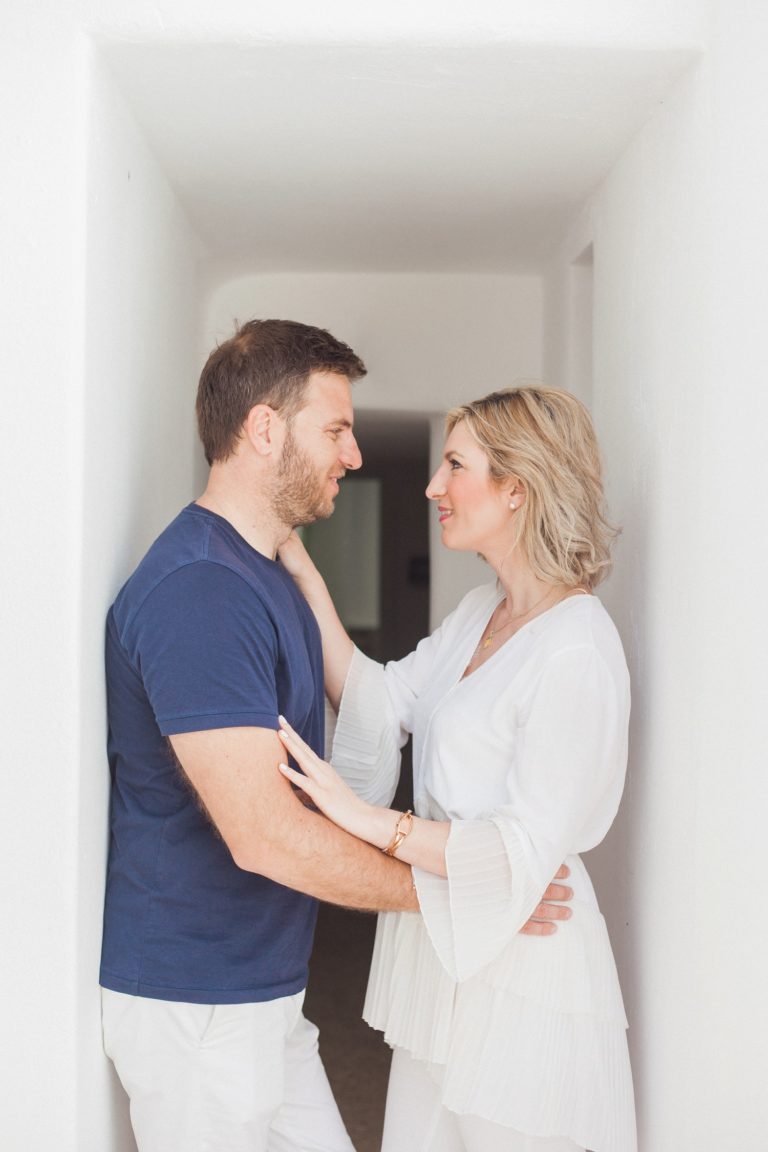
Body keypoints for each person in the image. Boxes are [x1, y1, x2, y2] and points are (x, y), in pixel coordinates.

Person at [99, 321, 571, 1152]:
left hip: (260, 995)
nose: (352, 454)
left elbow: (363, 730)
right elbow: (265, 836)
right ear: (265, 429)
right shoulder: (200, 593)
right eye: (336, 429)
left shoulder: (266, 573)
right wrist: (453, 894)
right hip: (198, 1007)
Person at [276, 385, 636, 1152]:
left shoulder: (576, 648)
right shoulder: (481, 611)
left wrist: (371, 822)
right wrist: (297, 563)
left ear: (516, 488)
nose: (434, 487)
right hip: (443, 950)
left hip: (526, 971)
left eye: (454, 465)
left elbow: (517, 854)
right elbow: (380, 696)